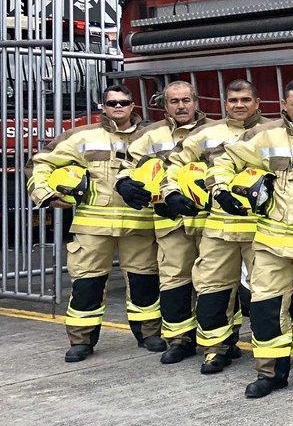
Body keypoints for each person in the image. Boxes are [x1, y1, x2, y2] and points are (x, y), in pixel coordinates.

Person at [210, 79, 293, 398]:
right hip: (271, 243)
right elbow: (225, 160)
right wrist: (221, 189)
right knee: (267, 310)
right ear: (284, 105)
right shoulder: (264, 135)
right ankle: (270, 373)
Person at [27, 84, 161, 360]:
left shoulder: (151, 137)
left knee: (144, 283)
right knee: (87, 284)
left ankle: (149, 334)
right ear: (103, 107)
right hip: (92, 228)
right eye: (112, 103)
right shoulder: (81, 136)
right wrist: (46, 195)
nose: (118, 107)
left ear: (133, 105)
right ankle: (81, 341)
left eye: (123, 102)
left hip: (139, 225)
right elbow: (40, 162)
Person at [160, 80, 262, 374]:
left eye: (245, 99)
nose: (239, 105)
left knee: (265, 295)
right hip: (218, 228)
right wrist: (171, 193)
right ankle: (216, 349)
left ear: (257, 103)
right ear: (224, 103)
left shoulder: (273, 132)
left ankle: (268, 354)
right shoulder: (206, 135)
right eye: (233, 100)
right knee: (212, 290)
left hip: (261, 229)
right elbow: (174, 164)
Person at [118, 81, 208, 364]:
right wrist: (123, 184)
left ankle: (221, 342)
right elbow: (127, 166)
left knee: (213, 283)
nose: (181, 106)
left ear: (196, 102)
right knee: (174, 281)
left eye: (186, 100)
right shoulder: (150, 136)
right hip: (170, 220)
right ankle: (180, 341)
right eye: (174, 101)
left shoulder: (216, 131)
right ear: (165, 105)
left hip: (210, 221)